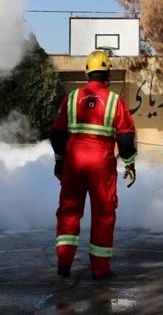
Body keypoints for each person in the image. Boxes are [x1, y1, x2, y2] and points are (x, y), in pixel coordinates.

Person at [51, 50, 137, 280]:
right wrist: (130, 164)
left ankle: (64, 263)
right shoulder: (115, 101)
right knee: (103, 214)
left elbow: (57, 135)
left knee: (69, 211)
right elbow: (125, 141)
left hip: (74, 163)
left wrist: (59, 161)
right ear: (108, 73)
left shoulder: (71, 99)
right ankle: (100, 270)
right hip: (102, 165)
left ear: (87, 72)